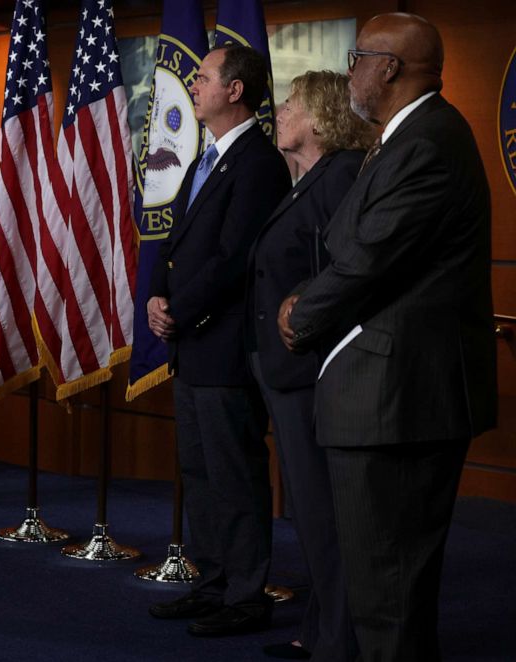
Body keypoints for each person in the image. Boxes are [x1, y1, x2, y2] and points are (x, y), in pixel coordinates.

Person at [278, 13, 496, 661]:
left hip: (402, 402)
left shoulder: (428, 140)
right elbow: (353, 245)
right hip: (386, 397)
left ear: (390, 66)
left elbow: (367, 256)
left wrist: (301, 314)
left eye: (357, 57)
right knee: (380, 587)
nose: (350, 71)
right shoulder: (404, 137)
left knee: (389, 593)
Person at [146, 44, 291, 637]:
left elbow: (235, 259)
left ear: (235, 91)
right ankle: (212, 583)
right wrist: (157, 295)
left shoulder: (257, 162)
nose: (194, 83)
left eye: (203, 76)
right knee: (200, 472)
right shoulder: (208, 157)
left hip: (224, 347)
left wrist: (177, 309)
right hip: (191, 343)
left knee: (234, 474)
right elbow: (176, 244)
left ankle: (246, 595)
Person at [247, 71, 374, 661]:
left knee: (324, 515)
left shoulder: (343, 173)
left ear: (320, 115)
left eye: (292, 102)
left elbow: (346, 267)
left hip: (312, 369)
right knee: (311, 512)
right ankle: (320, 632)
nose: (280, 109)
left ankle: (337, 642)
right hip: (288, 370)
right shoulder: (310, 179)